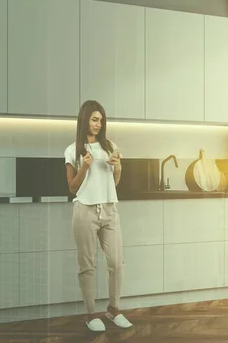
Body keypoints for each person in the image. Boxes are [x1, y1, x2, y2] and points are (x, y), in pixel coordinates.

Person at [64, 100, 133, 332]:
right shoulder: (73, 150)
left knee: (116, 263)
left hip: (109, 209)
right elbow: (72, 187)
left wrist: (119, 166)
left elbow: (113, 181)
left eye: (101, 120)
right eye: (94, 119)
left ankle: (113, 310)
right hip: (85, 210)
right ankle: (91, 314)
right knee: (88, 266)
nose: (98, 124)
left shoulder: (110, 145)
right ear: (84, 120)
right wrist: (84, 167)